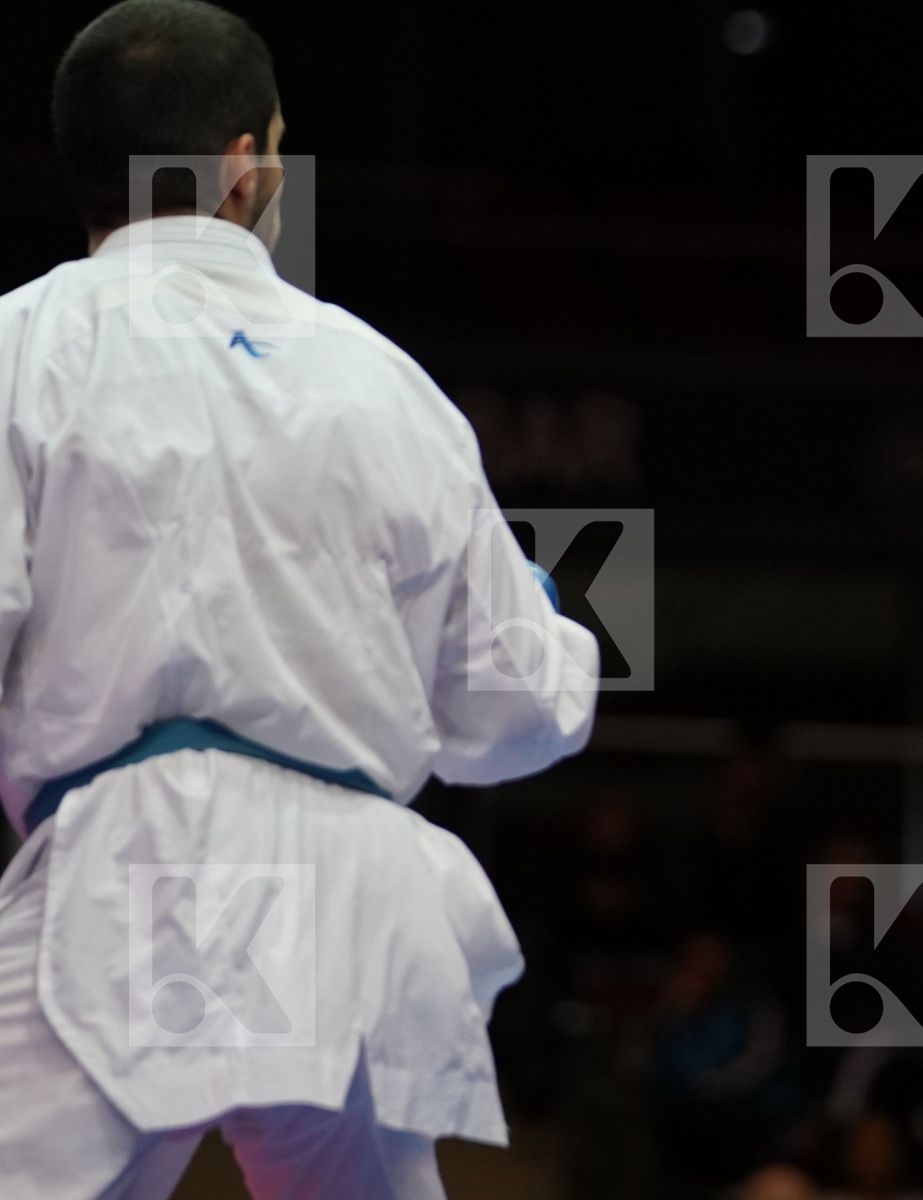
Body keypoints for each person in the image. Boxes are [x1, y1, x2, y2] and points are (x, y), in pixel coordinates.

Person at [0, 2, 599, 1196]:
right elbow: (520, 714)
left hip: (135, 874)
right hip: (358, 897)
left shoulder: (26, 344)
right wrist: (541, 613)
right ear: (243, 167)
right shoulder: (389, 382)